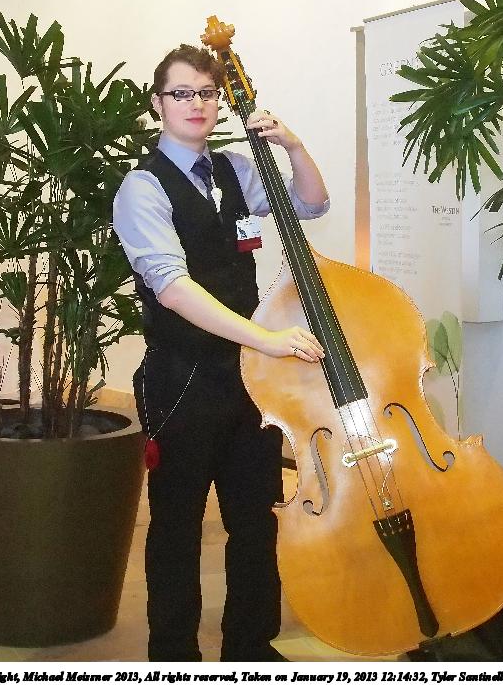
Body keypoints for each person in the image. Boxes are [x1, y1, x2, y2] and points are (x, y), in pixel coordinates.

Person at [112, 43, 329, 663]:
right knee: (177, 526)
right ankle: (173, 655)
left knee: (255, 518)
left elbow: (311, 204)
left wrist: (293, 146)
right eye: (181, 93)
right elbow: (173, 289)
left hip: (250, 381)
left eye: (207, 93)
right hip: (183, 378)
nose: (197, 104)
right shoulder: (142, 188)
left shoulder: (236, 168)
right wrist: (266, 339)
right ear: (159, 104)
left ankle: (250, 647)